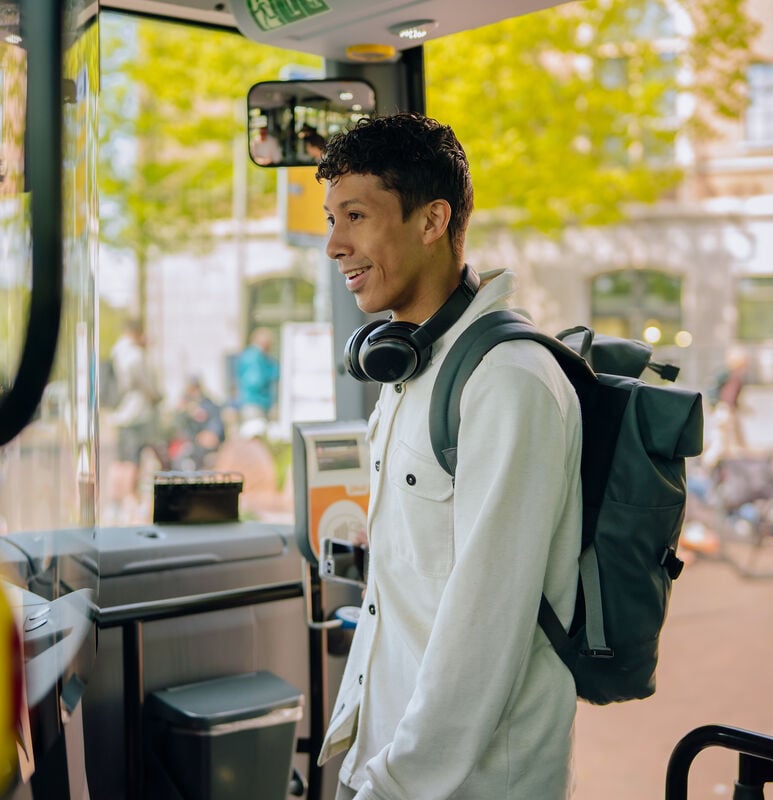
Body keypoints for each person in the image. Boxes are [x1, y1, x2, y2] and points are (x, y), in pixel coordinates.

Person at [315, 113, 583, 800]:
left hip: (462, 781)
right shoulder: (412, 365)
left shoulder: (508, 381)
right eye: (331, 219)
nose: (334, 245)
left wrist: (394, 784)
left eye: (355, 216)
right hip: (387, 755)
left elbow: (485, 626)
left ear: (433, 220)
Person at [104, 318, 159, 521]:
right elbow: (143, 383)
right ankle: (128, 501)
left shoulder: (116, 351)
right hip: (134, 414)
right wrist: (155, 396)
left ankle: (115, 502)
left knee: (120, 459)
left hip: (120, 413)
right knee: (132, 460)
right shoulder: (134, 354)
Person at [235, 327, 280, 421]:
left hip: (255, 403)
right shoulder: (255, 356)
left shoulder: (253, 355)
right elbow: (255, 381)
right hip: (254, 403)